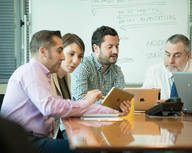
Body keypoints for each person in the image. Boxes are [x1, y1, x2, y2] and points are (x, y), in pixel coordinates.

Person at [1, 30, 130, 153]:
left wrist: (113, 111)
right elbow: (51, 107)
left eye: (79, 56)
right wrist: (85, 102)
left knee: (92, 145)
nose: (62, 57)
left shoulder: (58, 76)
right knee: (88, 148)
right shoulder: (32, 71)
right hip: (21, 141)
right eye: (60, 51)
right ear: (43, 52)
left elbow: (75, 107)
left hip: (35, 138)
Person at [142, 34, 192, 100]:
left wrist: (167, 104)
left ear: (188, 56)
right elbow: (143, 98)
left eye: (177, 56)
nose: (170, 61)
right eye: (168, 55)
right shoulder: (154, 71)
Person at [71, 25, 125, 103]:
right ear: (96, 48)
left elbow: (121, 100)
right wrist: (111, 103)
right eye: (110, 47)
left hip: (109, 114)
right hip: (85, 115)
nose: (115, 51)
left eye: (117, 46)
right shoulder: (83, 66)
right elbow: (80, 102)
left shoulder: (116, 70)